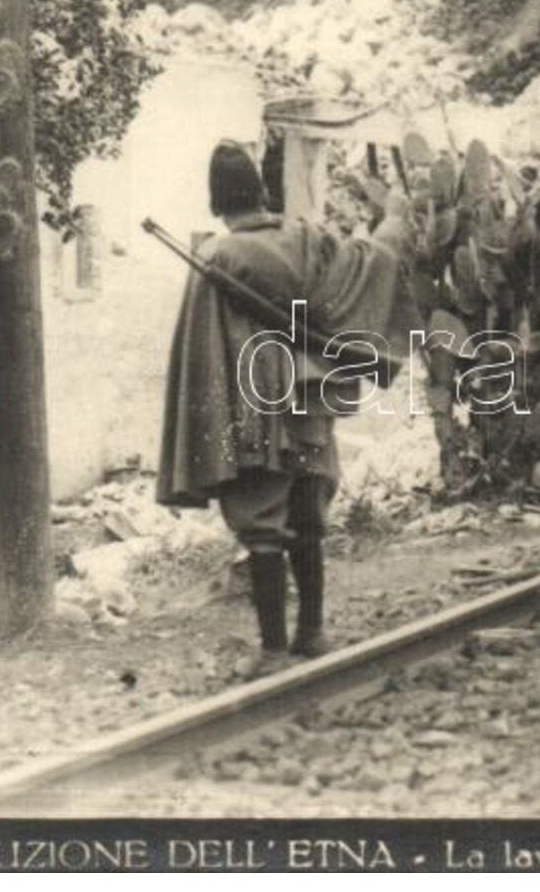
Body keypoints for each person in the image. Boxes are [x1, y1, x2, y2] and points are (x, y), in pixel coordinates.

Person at [157, 139, 411, 666]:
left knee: (262, 520)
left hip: (253, 408)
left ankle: (273, 649)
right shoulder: (307, 238)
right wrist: (391, 225)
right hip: (309, 402)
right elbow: (369, 268)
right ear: (262, 190)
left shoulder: (216, 256)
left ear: (217, 202)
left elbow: (204, 353)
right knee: (307, 515)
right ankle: (312, 633)